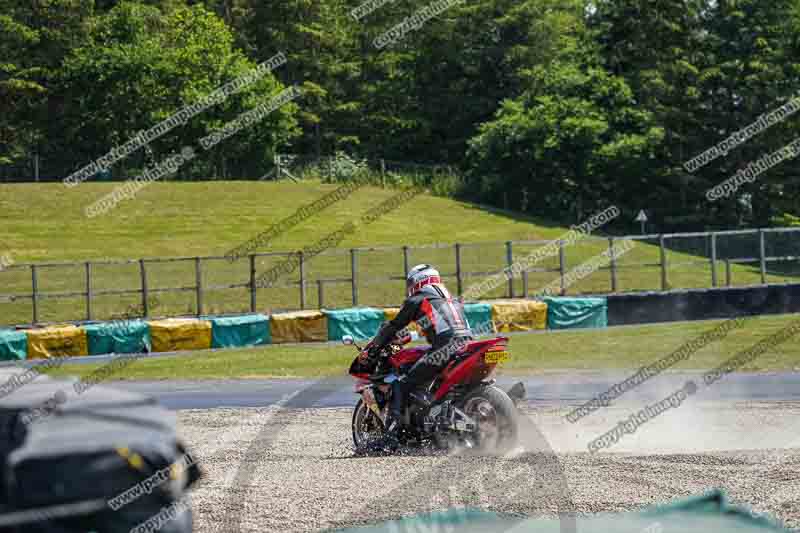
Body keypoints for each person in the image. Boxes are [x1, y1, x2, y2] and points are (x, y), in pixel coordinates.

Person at [361, 264, 473, 451]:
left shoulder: (419, 299)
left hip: (445, 348)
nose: (410, 287)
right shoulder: (450, 300)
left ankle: (391, 437)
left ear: (420, 281)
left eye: (411, 282)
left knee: (401, 383)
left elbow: (394, 326)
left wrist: (373, 347)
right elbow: (429, 329)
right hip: (466, 346)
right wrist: (406, 339)